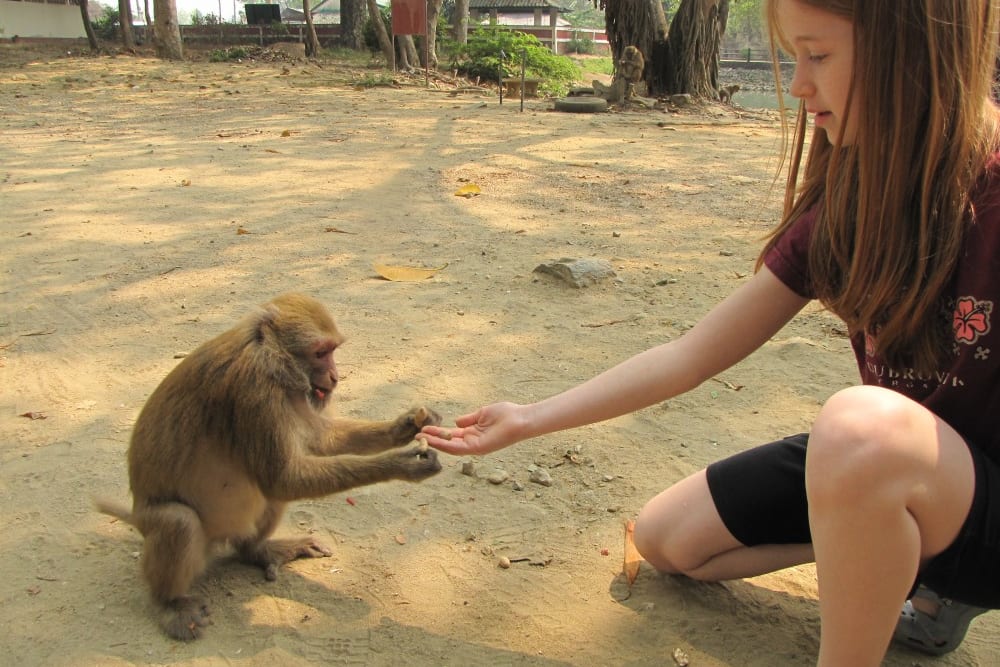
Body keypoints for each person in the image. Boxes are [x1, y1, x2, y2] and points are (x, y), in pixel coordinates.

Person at [419, 1, 1000, 664]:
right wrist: (526, 418)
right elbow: (689, 354)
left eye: (819, 55)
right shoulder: (853, 192)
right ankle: (882, 542)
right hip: (901, 475)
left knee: (859, 427)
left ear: (912, 50)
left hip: (972, 507)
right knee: (669, 539)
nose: (798, 85)